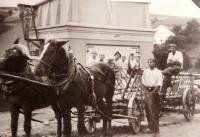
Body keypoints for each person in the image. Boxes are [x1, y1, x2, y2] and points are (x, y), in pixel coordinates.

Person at [142, 58, 163, 137]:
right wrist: (146, 92)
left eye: (151, 62)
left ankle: (156, 131)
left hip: (154, 92)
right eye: (148, 62)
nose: (149, 63)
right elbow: (143, 82)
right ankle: (151, 128)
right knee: (147, 112)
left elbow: (158, 84)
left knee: (154, 112)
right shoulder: (145, 71)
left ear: (154, 63)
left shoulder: (158, 72)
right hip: (147, 91)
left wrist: (152, 92)